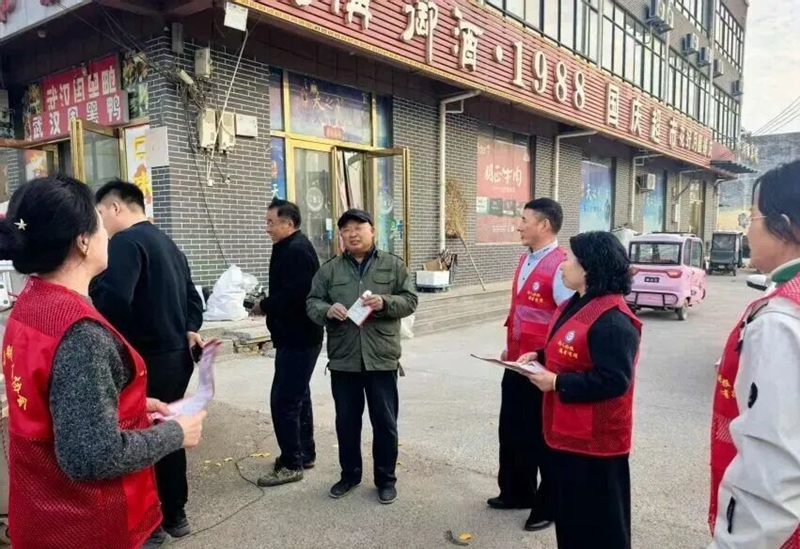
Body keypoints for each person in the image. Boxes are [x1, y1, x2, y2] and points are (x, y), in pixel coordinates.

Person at [0, 175, 205, 549]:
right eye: (99, 224)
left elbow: (56, 402)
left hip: (39, 509)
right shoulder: (82, 333)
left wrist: (128, 406)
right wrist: (176, 434)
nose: (107, 235)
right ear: (83, 241)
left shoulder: (29, 304)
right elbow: (92, 456)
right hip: (85, 525)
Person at [91, 179, 205, 539]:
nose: (99, 223)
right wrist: (189, 328)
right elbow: (194, 300)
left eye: (100, 213)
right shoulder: (168, 243)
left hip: (144, 359)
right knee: (169, 431)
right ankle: (176, 513)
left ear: (115, 208)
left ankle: (151, 521)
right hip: (176, 357)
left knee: (141, 437)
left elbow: (114, 301)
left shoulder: (125, 242)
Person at [518, 231, 641, 549]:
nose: (562, 265)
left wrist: (557, 383)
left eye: (571, 259)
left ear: (590, 268)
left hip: (597, 443)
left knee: (599, 525)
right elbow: (574, 350)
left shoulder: (613, 320)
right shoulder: (575, 304)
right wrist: (540, 356)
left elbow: (615, 380)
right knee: (572, 519)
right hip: (568, 432)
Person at [708, 160, 800, 549]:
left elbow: (772, 466)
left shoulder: (781, 318)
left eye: (752, 217)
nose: (747, 230)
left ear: (784, 226)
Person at [307, 209, 418, 505]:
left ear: (372, 231)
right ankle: (349, 475)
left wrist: (385, 302)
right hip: (344, 359)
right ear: (341, 236)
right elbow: (312, 301)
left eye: (359, 227)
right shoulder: (330, 270)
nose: (352, 233)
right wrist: (327, 310)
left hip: (381, 358)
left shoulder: (393, 265)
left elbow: (410, 300)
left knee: (385, 423)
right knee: (346, 423)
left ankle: (386, 480)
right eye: (346, 229)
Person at [490, 198, 574, 532]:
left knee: (542, 438)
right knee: (512, 431)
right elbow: (523, 310)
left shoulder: (561, 266)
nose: (518, 226)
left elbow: (567, 320)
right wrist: (510, 347)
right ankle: (515, 492)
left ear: (544, 225)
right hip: (516, 362)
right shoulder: (526, 258)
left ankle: (547, 506)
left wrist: (546, 358)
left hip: (543, 368)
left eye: (524, 220)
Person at [252, 199, 323, 487]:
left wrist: (264, 305)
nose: (267, 228)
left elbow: (295, 296)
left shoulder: (296, 250)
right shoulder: (289, 246)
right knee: (298, 396)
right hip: (295, 337)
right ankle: (304, 453)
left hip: (299, 338)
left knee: (284, 401)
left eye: (271, 222)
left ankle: (292, 463)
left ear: (289, 224)